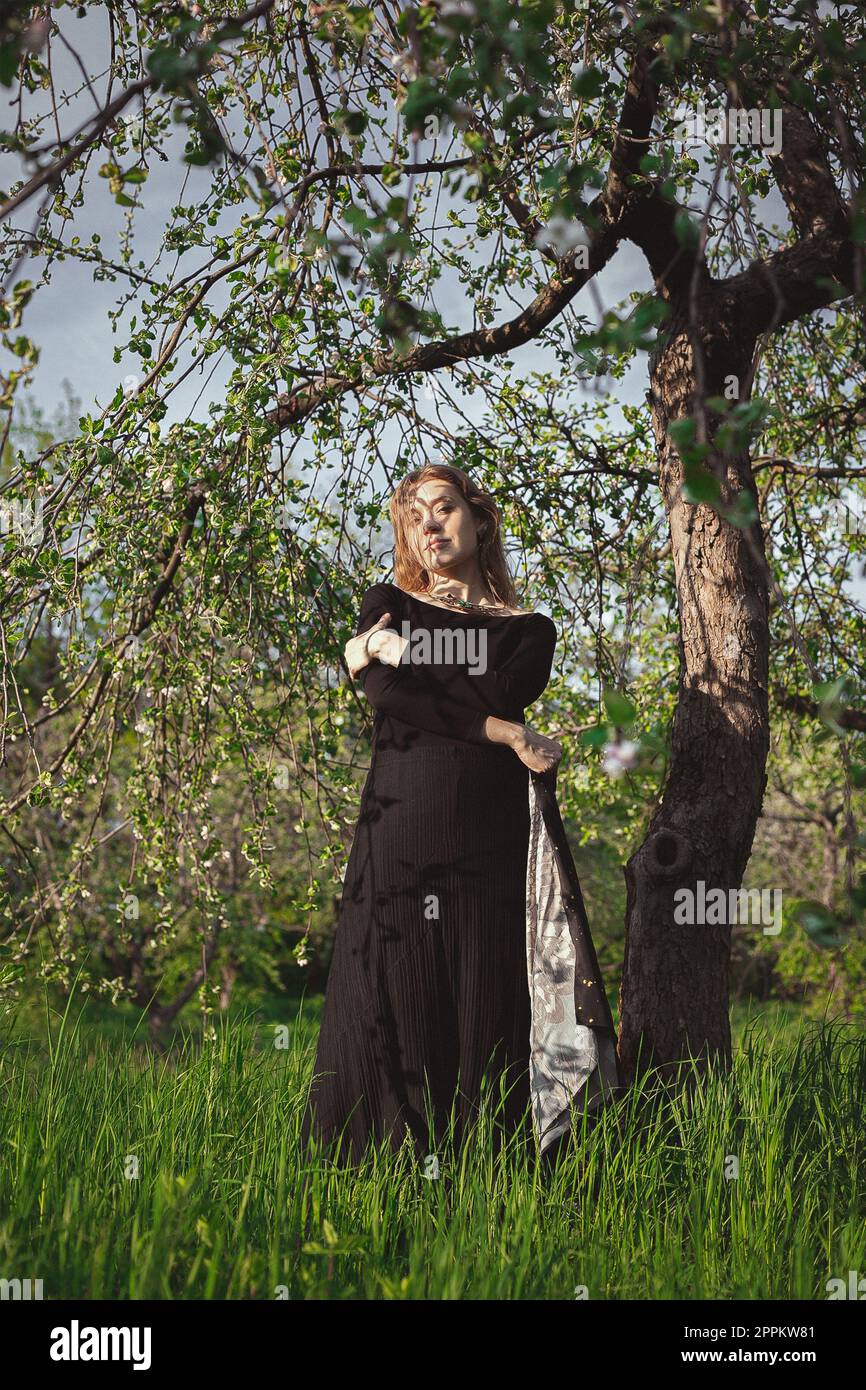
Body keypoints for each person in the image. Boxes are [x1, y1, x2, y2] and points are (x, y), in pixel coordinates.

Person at [300, 462, 620, 1165]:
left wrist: (402, 654)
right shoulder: (387, 599)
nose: (429, 525)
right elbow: (393, 699)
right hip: (403, 825)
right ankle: (378, 1172)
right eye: (413, 518)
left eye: (442, 508)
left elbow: (501, 688)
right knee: (396, 987)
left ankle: (487, 1172)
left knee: (486, 990)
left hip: (491, 832)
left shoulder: (530, 630)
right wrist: (505, 733)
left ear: (478, 517)